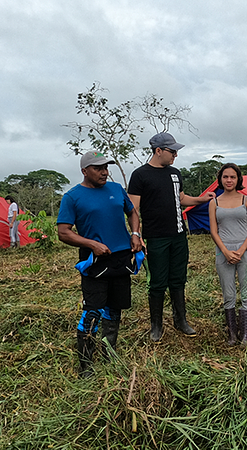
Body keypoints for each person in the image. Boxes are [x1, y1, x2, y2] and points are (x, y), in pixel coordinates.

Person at [57, 151, 143, 378]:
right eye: (98, 168)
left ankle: (109, 351)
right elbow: (63, 232)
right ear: (84, 171)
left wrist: (135, 233)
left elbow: (132, 212)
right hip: (94, 260)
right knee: (92, 310)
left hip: (122, 257)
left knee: (114, 308)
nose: (104, 172)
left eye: (106, 167)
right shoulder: (72, 197)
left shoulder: (116, 189)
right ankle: (85, 364)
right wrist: (91, 244)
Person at [127, 132, 215, 343]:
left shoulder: (175, 173)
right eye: (172, 151)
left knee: (178, 279)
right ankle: (156, 325)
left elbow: (182, 198)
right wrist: (136, 235)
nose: (175, 155)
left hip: (178, 236)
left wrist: (203, 199)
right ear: (158, 151)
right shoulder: (140, 175)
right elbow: (133, 208)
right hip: (156, 238)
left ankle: (180, 320)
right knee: (157, 282)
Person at [208, 163, 247, 347]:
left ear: (238, 179)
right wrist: (226, 252)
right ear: (220, 179)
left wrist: (241, 250)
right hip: (223, 251)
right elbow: (214, 231)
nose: (229, 180)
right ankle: (232, 336)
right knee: (228, 294)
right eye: (225, 177)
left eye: (233, 177)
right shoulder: (214, 202)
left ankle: (245, 336)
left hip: (246, 250)